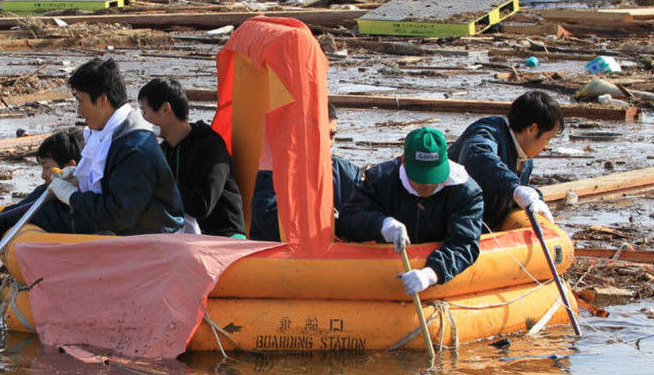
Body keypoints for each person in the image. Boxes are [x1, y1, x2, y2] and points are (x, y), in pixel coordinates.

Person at [34, 58, 184, 236]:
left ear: (102, 100)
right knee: (46, 203)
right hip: (129, 230)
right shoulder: (110, 137)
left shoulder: (135, 149)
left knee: (54, 216)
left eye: (81, 101)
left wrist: (73, 196)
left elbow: (120, 215)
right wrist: (76, 180)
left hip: (152, 240)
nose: (79, 110)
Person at [336, 127, 484, 296]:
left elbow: (464, 244)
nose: (427, 185)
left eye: (433, 177)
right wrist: (382, 225)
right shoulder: (381, 179)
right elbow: (347, 220)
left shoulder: (464, 192)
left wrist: (431, 273)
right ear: (404, 162)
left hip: (431, 270)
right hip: (383, 273)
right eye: (420, 178)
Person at [136, 77, 245, 237]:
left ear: (166, 109)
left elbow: (203, 205)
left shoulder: (209, 146)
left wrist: (159, 186)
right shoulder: (163, 150)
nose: (143, 119)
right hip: (183, 236)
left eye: (145, 111)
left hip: (223, 236)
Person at [450, 91, 564, 232]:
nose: (547, 146)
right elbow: (479, 157)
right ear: (532, 129)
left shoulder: (525, 160)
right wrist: (515, 188)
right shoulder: (487, 132)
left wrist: (535, 197)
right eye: (548, 138)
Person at [249, 104, 362, 242]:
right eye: (321, 134)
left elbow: (365, 212)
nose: (329, 142)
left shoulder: (349, 173)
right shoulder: (274, 171)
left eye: (332, 134)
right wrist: (326, 222)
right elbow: (268, 220)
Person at [0, 128, 83, 248]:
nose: (43, 175)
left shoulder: (96, 199)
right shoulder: (44, 197)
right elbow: (8, 217)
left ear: (69, 167)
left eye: (46, 167)